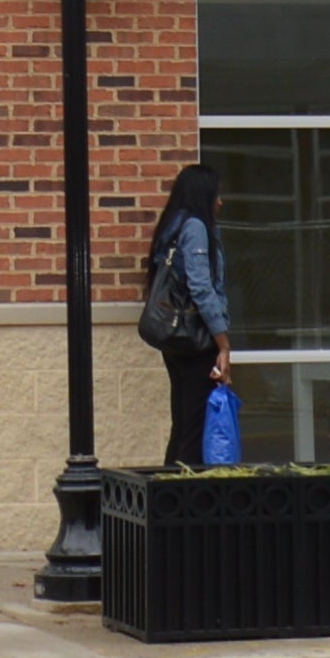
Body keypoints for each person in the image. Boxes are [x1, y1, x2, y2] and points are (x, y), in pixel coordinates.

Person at [135, 155, 230, 465]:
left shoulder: (172, 225)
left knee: (183, 422)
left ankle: (168, 495)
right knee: (194, 427)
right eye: (216, 194)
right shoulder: (195, 227)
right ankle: (181, 500)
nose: (220, 202)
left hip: (175, 339)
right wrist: (223, 342)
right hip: (195, 339)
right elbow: (201, 287)